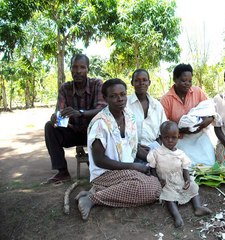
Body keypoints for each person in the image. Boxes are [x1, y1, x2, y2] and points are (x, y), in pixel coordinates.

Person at [75, 78, 161, 221]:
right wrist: (133, 166)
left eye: (122, 94)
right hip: (106, 173)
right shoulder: (100, 124)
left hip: (125, 170)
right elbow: (99, 160)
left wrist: (154, 159)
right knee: (151, 189)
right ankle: (92, 199)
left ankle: (97, 191)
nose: (119, 99)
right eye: (113, 96)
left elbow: (134, 147)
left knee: (158, 178)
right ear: (106, 99)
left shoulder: (129, 116)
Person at [44, 53, 106, 183]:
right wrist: (55, 117)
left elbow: (102, 110)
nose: (78, 71)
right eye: (74, 67)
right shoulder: (65, 88)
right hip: (73, 131)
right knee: (49, 126)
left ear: (88, 69)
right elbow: (60, 112)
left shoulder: (97, 84)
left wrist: (80, 113)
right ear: (70, 69)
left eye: (82, 67)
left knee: (101, 124)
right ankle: (62, 172)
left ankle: (99, 166)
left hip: (94, 132)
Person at [147, 121, 212, 228]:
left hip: (180, 179)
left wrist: (187, 180)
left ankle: (198, 207)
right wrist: (157, 179)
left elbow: (185, 167)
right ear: (160, 137)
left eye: (174, 137)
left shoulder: (181, 153)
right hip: (166, 181)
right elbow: (152, 168)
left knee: (192, 187)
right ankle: (177, 216)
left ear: (178, 137)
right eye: (166, 137)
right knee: (169, 197)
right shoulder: (156, 153)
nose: (170, 141)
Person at [160, 63, 216, 166]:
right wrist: (182, 130)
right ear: (175, 79)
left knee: (209, 163)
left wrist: (203, 124)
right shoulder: (166, 99)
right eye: (183, 80)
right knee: (188, 165)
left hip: (199, 135)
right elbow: (164, 126)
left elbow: (210, 112)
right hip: (179, 138)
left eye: (190, 81)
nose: (187, 84)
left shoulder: (197, 92)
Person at [127, 69, 167, 162]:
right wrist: (136, 147)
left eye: (144, 80)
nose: (141, 83)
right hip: (130, 151)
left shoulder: (157, 106)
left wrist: (156, 150)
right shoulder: (125, 104)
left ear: (149, 82)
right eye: (137, 80)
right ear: (132, 83)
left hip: (154, 151)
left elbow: (163, 132)